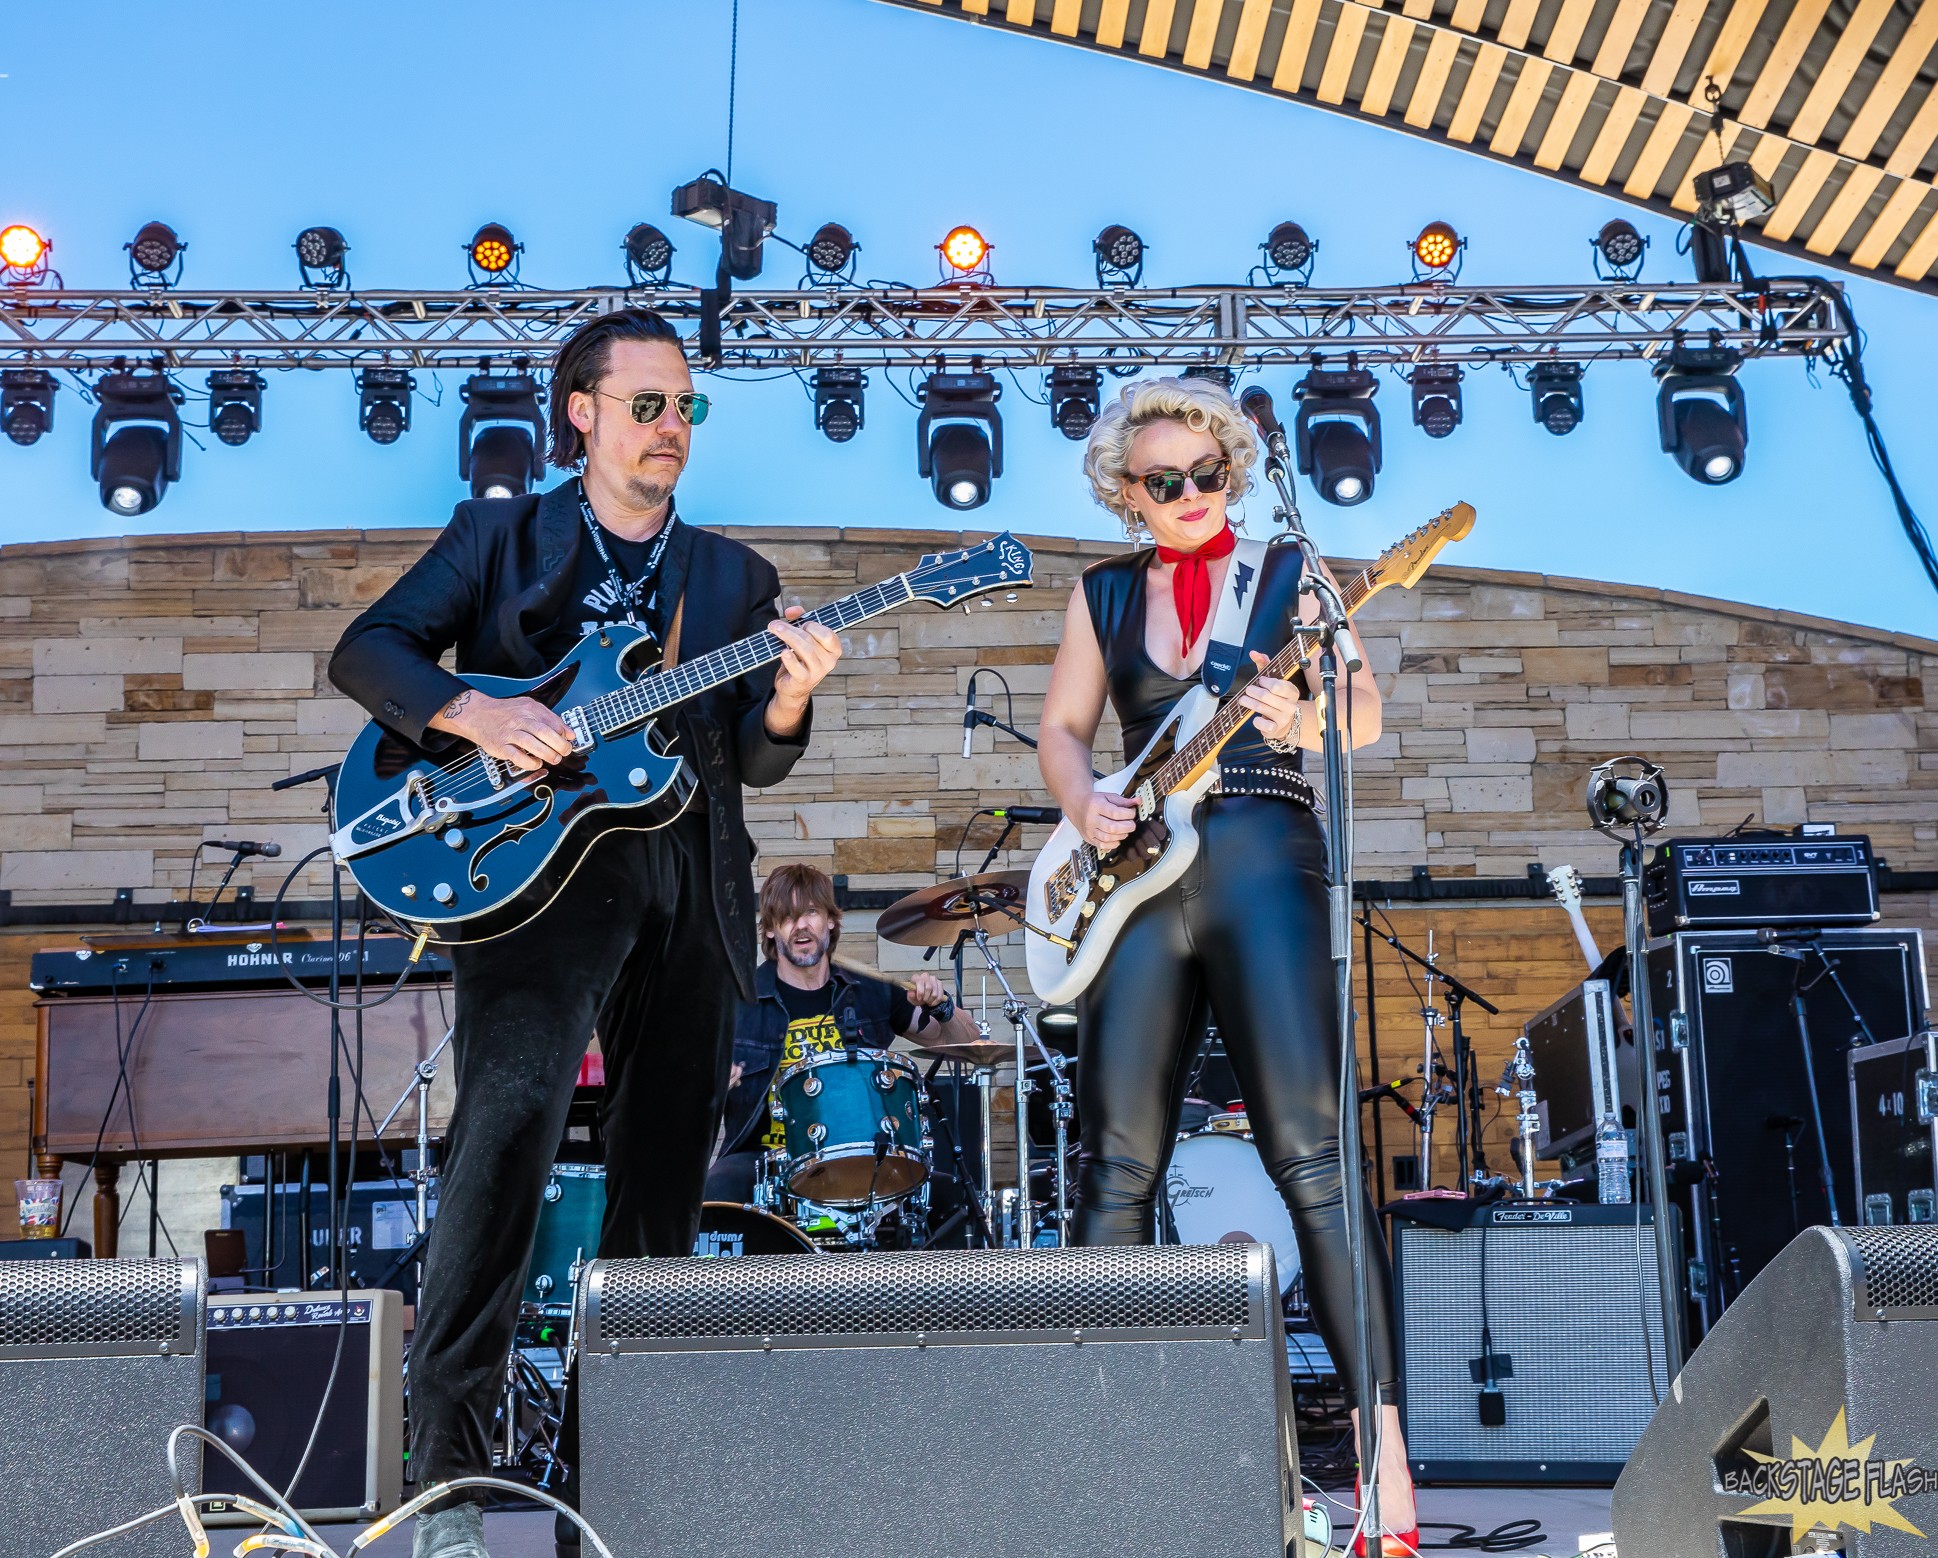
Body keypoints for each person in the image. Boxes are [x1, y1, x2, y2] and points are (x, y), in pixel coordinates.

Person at [328, 308, 842, 1558]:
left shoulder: (731, 577)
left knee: (661, 1180)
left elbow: (754, 762)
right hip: (531, 876)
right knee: (500, 1146)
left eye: (686, 408)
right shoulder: (497, 537)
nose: (671, 428)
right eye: (647, 405)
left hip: (688, 878)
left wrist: (788, 699)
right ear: (581, 412)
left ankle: (625, 1483)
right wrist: (474, 715)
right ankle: (449, 1489)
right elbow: (368, 649)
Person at [1035, 376, 1416, 1552]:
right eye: (1166, 480)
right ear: (1126, 491)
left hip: (1259, 849)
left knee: (1313, 1157)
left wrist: (1301, 718)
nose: (1191, 493)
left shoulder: (1292, 574)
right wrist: (1082, 802)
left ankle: (1385, 1470)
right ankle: (1105, 1462)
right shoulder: (1101, 594)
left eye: (1207, 474)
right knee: (1113, 1167)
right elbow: (1062, 729)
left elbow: (1361, 712)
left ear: (1234, 473)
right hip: (1135, 878)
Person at [709, 863, 981, 1208]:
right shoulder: (738, 1005)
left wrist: (942, 1006)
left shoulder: (870, 991)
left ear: (830, 920)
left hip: (864, 1154)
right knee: (715, 1191)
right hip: (767, 1160)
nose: (801, 925)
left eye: (811, 912)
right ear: (772, 931)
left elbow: (967, 1046)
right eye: (787, 916)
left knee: (955, 1201)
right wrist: (710, 1086)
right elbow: (683, 1088)